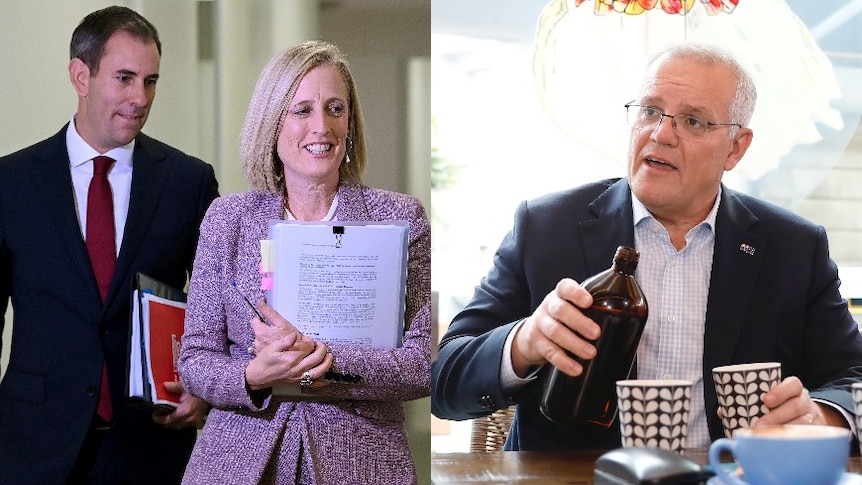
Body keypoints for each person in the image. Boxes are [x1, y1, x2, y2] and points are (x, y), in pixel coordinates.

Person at [431, 42, 862, 451]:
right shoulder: (546, 227)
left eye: (693, 121)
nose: (661, 134)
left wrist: (823, 416)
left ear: (736, 148)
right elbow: (444, 382)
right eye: (650, 111)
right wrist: (524, 342)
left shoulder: (794, 247)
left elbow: (854, 376)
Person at [177, 40, 431, 484]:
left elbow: (419, 366)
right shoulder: (229, 219)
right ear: (272, 123)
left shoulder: (400, 219)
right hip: (239, 460)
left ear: (350, 123)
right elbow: (196, 358)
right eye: (302, 110)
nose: (322, 127)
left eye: (336, 108)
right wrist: (253, 375)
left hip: (361, 462)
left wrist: (324, 362)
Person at [0, 6, 219, 484]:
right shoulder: (10, 184)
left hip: (151, 446)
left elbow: (221, 306)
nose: (140, 98)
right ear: (81, 74)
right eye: (124, 78)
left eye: (151, 81)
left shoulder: (189, 182)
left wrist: (207, 390)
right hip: (32, 448)